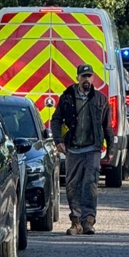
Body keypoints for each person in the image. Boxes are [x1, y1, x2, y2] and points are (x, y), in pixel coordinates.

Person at [51, 63, 114, 236]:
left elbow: (107, 126)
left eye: (89, 76)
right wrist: (58, 141)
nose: (86, 79)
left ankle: (89, 221)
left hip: (92, 149)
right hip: (73, 149)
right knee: (72, 186)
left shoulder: (100, 99)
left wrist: (111, 148)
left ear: (93, 78)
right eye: (83, 76)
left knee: (90, 185)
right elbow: (55, 120)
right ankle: (76, 222)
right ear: (77, 77)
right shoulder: (67, 97)